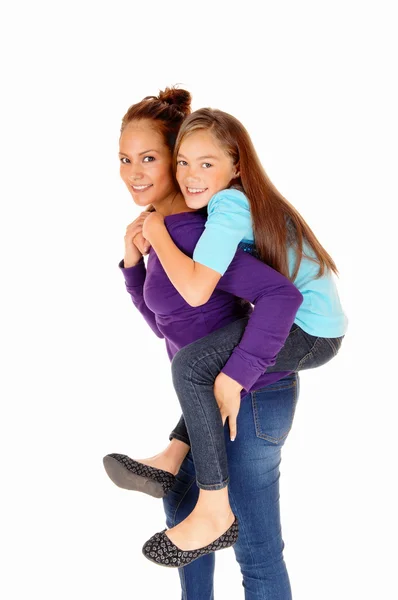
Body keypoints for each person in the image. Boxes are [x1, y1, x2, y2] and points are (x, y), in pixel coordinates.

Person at [104, 106, 347, 565]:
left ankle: (213, 507)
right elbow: (165, 322)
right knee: (195, 365)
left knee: (193, 367)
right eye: (184, 163)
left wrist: (235, 376)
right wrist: (134, 261)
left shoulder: (217, 216)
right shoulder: (208, 216)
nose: (134, 173)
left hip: (310, 333)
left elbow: (253, 297)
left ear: (236, 166)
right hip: (287, 335)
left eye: (150, 158)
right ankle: (175, 454)